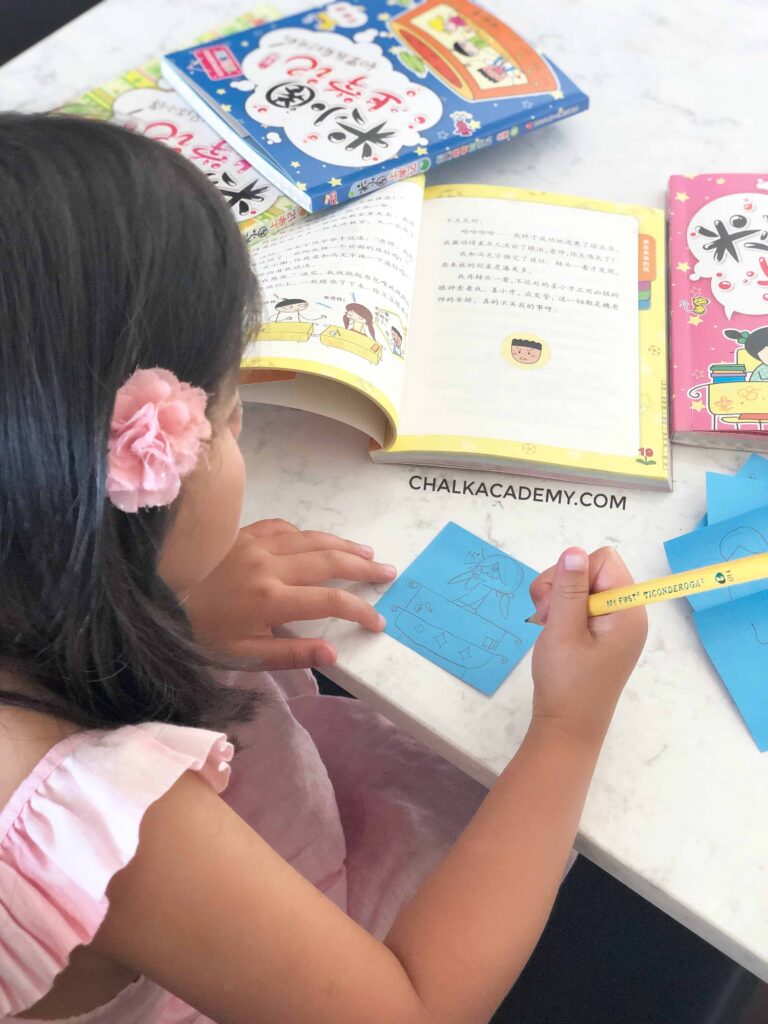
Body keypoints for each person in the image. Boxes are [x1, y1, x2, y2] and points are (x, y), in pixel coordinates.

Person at [0, 112, 647, 1024]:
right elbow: (414, 1008)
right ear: (112, 499)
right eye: (231, 418)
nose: (240, 439)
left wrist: (167, 609)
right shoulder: (106, 821)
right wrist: (567, 731)